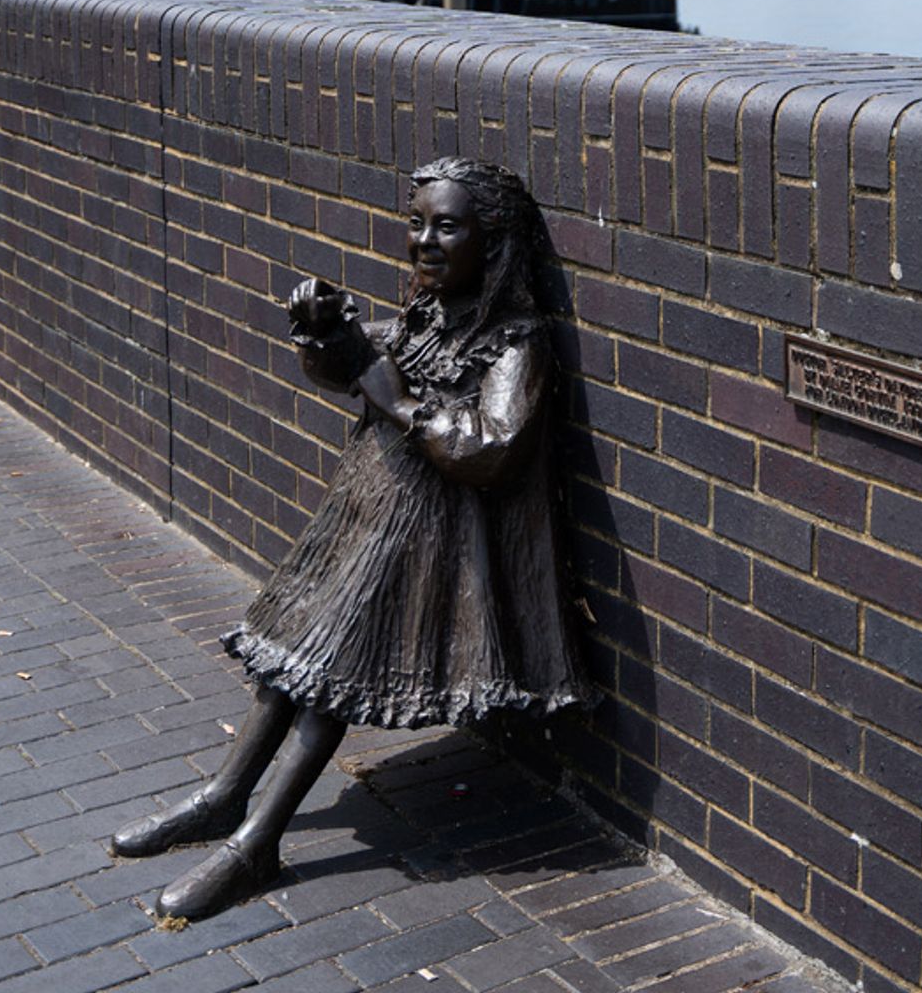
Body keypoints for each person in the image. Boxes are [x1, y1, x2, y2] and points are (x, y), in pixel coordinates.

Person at [113, 156, 593, 921]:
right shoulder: (426, 317)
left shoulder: (514, 343)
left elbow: (494, 447)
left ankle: (256, 843)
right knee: (292, 658)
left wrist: (400, 405)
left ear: (494, 243)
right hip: (364, 514)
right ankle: (224, 796)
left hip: (418, 538)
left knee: (328, 675)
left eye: (447, 227)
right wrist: (322, 333)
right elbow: (353, 368)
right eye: (417, 224)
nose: (425, 242)